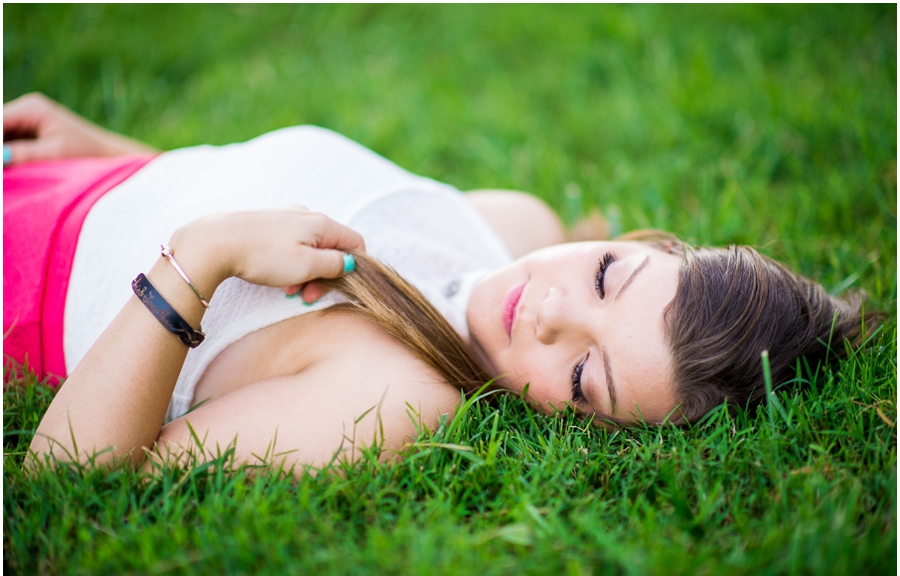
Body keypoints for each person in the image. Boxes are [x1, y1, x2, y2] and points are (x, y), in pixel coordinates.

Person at [4, 92, 874, 474]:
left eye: (581, 377)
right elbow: (256, 185)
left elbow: (73, 472)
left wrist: (202, 256)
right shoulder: (512, 225)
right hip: (58, 180)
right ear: (645, 242)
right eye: (609, 274)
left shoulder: (393, 398)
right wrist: (122, 159)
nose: (549, 312)